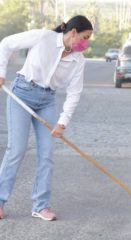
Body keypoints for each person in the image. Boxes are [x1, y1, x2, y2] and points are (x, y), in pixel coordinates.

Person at [0, 15, 93, 220]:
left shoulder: (78, 59)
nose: (86, 43)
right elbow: (6, 44)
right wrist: (1, 71)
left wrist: (63, 122)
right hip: (21, 94)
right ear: (73, 32)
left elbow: (74, 92)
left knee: (47, 153)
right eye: (85, 37)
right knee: (16, 150)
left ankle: (41, 206)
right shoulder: (43, 37)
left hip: (47, 100)